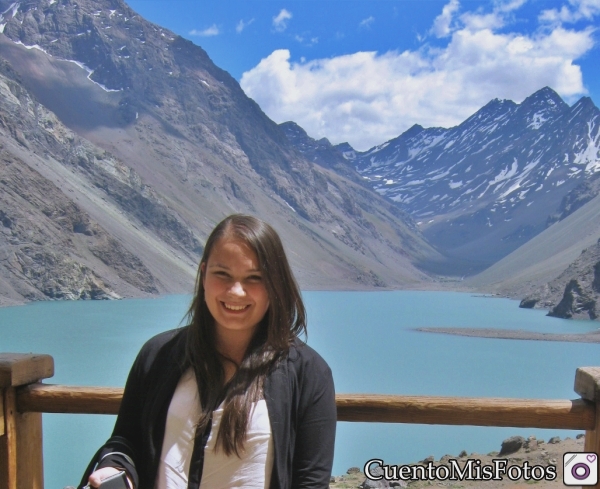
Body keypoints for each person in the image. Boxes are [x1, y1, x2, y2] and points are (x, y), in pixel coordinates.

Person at [78, 214, 336, 489]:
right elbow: (125, 440)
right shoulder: (158, 355)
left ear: (275, 286)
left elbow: (311, 482)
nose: (236, 291)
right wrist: (117, 469)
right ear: (203, 276)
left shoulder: (309, 374)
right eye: (222, 274)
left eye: (254, 278)